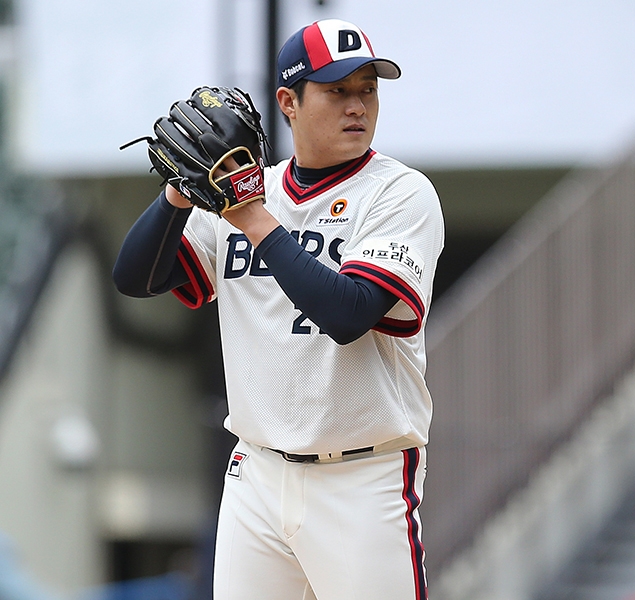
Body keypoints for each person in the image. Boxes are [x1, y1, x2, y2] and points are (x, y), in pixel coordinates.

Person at [113, 18, 444, 600]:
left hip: (361, 480)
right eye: (337, 90)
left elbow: (347, 312)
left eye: (367, 89)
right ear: (288, 101)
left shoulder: (400, 192)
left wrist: (251, 217)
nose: (356, 105)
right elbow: (136, 277)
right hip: (257, 477)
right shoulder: (248, 193)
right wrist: (175, 189)